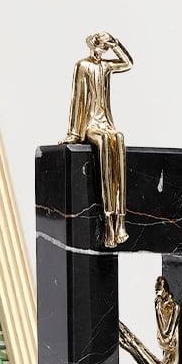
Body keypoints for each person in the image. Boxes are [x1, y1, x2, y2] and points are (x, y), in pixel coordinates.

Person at [66, 32, 133, 247]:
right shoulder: (83, 66)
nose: (102, 52)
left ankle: (120, 219)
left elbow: (127, 63)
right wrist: (75, 133)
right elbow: (78, 99)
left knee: (118, 139)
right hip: (91, 125)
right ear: (92, 46)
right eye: (101, 47)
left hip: (106, 123)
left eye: (105, 48)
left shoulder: (105, 66)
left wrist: (116, 44)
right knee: (104, 143)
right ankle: (108, 221)